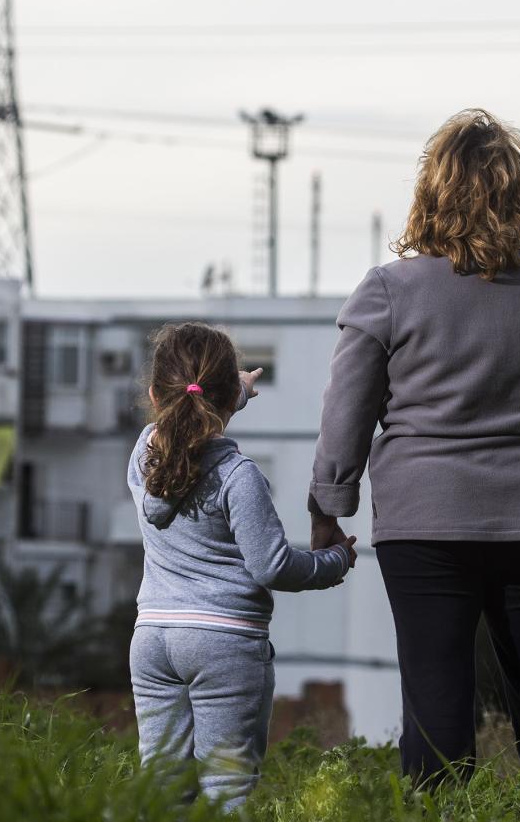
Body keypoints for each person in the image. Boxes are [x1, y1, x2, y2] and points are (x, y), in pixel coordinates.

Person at [309, 108, 520, 814]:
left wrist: (330, 507)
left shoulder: (389, 290)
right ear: (518, 194)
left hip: (426, 523)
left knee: (437, 704)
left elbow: (346, 413)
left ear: (432, 190)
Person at [128, 321, 358, 812]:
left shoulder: (143, 457)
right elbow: (272, 566)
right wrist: (333, 562)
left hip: (152, 639)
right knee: (226, 791)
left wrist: (231, 394)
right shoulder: (238, 476)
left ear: (154, 393)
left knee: (162, 786)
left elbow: (187, 419)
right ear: (231, 397)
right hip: (223, 643)